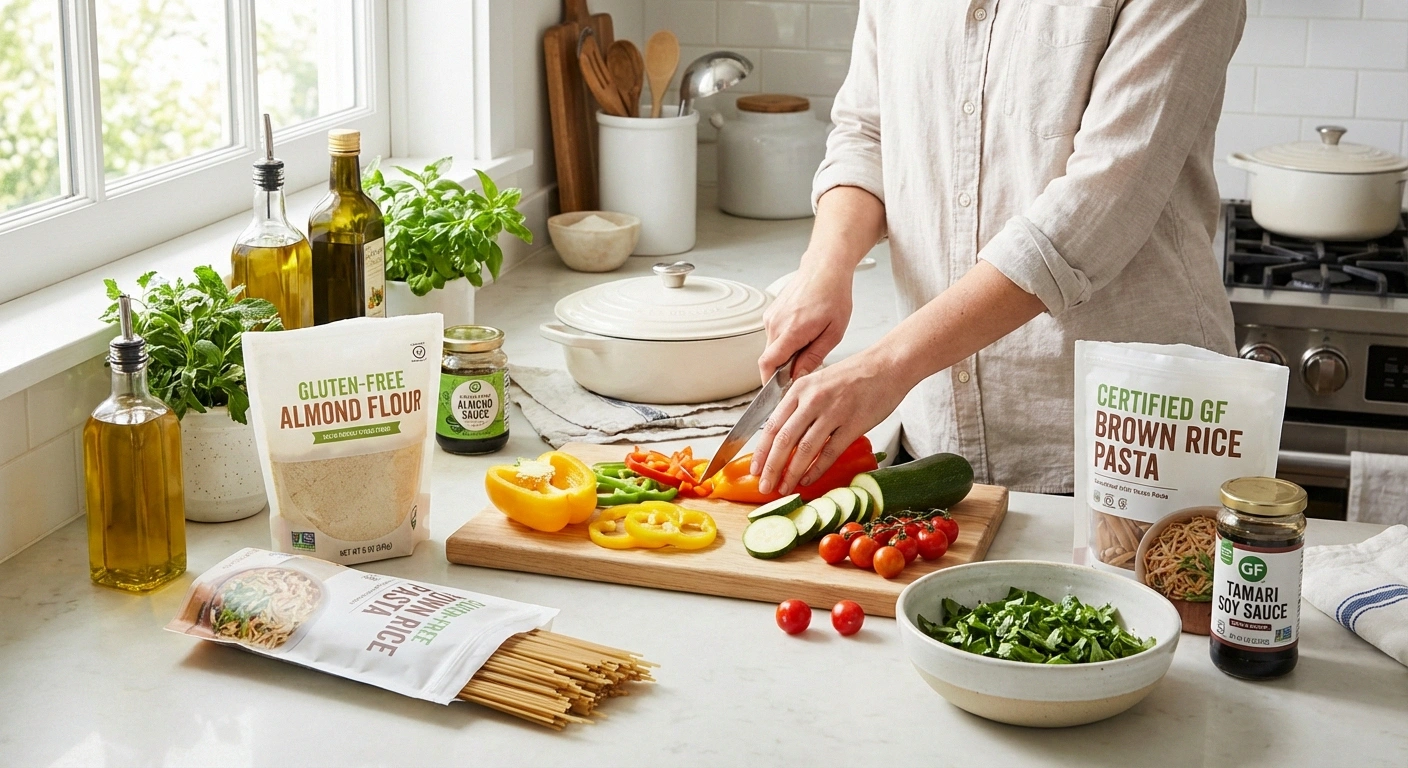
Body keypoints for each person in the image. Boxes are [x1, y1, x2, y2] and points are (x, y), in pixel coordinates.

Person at [751, 1, 1246, 496]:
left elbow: (1097, 209)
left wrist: (886, 367)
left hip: (1130, 453)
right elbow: (868, 132)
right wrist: (824, 269)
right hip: (936, 439)